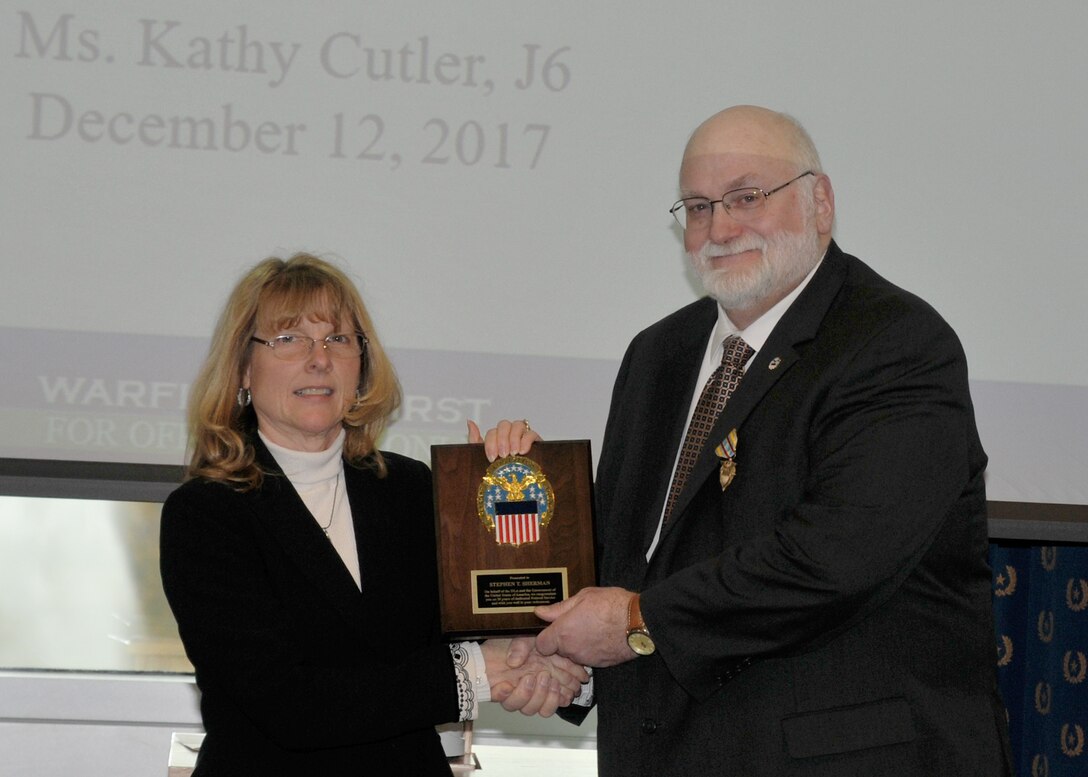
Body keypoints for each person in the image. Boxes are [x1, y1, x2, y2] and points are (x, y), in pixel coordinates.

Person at [477, 106, 1015, 775]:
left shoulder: (893, 343)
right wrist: (552, 615)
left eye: (747, 197)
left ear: (820, 201)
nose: (720, 227)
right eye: (698, 206)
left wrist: (637, 621)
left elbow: (832, 561)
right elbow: (631, 562)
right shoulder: (659, 354)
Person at [160, 253, 587, 775]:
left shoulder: (411, 489)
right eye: (288, 339)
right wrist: (476, 673)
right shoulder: (204, 514)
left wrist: (529, 493)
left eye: (338, 339)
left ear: (360, 366)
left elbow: (480, 633)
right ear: (244, 369)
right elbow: (287, 704)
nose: (319, 359)